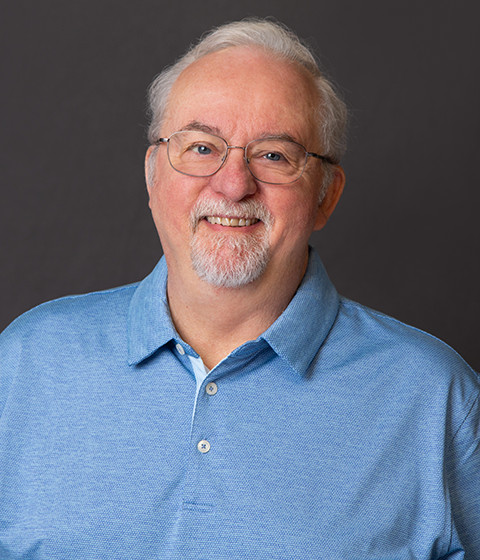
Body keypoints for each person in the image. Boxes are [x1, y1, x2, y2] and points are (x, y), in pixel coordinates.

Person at [0, 18, 478, 560]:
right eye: (202, 148)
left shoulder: (437, 402)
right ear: (153, 175)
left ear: (325, 194)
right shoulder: (24, 365)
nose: (233, 184)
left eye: (274, 155)